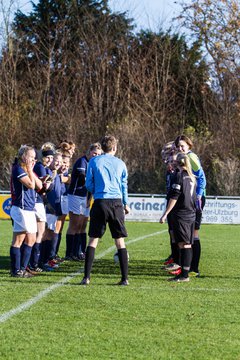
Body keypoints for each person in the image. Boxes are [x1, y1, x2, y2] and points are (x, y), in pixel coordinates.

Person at [80, 135, 130, 286]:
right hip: (116, 203)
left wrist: (98, 192)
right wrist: (125, 203)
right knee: (119, 242)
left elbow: (88, 183)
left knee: (93, 240)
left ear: (102, 148)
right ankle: (124, 279)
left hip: (100, 202)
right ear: (114, 148)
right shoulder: (121, 163)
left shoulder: (94, 161)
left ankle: (86, 277)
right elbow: (124, 186)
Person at [159, 152, 196, 282]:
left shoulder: (179, 176)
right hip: (191, 213)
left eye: (174, 162)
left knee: (184, 244)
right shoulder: (192, 177)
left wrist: (165, 213)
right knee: (186, 243)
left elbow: (174, 197)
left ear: (178, 163)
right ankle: (183, 273)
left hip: (181, 214)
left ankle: (184, 275)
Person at [174, 135, 207, 277]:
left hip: (195, 199)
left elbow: (202, 178)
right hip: (190, 198)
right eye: (179, 146)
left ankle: (194, 268)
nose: (180, 148)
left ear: (189, 145)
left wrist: (198, 196)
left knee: (193, 234)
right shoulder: (183, 158)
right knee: (188, 235)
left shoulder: (191, 157)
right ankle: (186, 266)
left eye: (183, 145)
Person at [10, 145, 42, 277]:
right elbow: (31, 185)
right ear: (23, 157)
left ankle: (22, 268)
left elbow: (39, 186)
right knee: (18, 240)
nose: (33, 160)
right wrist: (29, 169)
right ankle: (17, 270)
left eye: (35, 158)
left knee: (32, 239)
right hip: (21, 208)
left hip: (29, 209)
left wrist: (31, 170)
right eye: (31, 157)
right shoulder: (18, 169)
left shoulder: (28, 170)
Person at [65, 142, 102, 261]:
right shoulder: (82, 161)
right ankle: (70, 253)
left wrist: (89, 198)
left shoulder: (93, 164)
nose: (95, 155)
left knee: (83, 225)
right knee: (75, 225)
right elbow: (83, 178)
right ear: (89, 151)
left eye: (98, 154)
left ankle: (80, 251)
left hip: (85, 198)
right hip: (76, 196)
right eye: (94, 153)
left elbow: (91, 185)